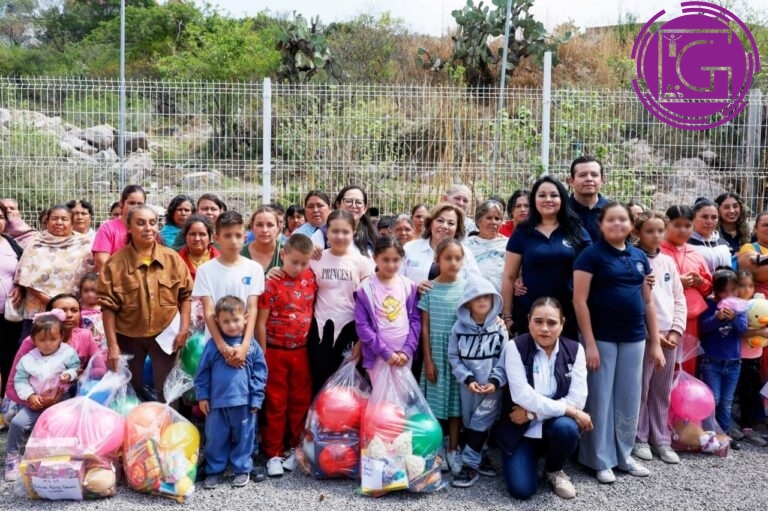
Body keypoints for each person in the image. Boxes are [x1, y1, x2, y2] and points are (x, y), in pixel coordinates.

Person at [574, 202, 665, 483]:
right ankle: (599, 458)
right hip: (601, 336)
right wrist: (589, 343)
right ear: (601, 224)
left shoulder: (639, 256)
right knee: (600, 397)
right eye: (611, 220)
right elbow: (579, 301)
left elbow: (647, 302)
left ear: (630, 225)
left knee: (628, 396)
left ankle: (623, 455)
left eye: (622, 220)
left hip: (634, 337)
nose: (617, 224)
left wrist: (655, 342)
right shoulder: (590, 256)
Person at [496, 297, 591, 500]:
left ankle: (554, 469)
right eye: (538, 321)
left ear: (562, 324)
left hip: (548, 424)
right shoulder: (515, 347)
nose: (544, 328)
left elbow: (577, 399)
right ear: (529, 320)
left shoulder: (575, 350)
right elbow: (522, 395)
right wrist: (571, 411)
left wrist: (533, 414)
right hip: (520, 430)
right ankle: (529, 456)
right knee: (522, 490)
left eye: (552, 323)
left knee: (567, 428)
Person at [97, 205, 193, 401]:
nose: (148, 228)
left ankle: (167, 421)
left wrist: (183, 330)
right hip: (128, 337)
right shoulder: (115, 264)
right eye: (140, 223)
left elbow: (185, 296)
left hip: (165, 335)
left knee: (166, 392)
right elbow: (108, 307)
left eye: (152, 223)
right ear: (128, 227)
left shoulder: (172, 259)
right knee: (130, 391)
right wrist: (113, 346)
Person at [501, 176, 591, 340]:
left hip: (567, 315)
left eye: (554, 195)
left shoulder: (575, 230)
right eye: (542, 195)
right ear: (534, 200)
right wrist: (507, 316)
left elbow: (592, 266)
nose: (548, 199)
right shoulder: (523, 231)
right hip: (528, 315)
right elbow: (509, 276)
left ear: (562, 199)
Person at [258, 234, 317, 477]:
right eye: (294, 262)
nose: (299, 267)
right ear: (283, 255)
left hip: (301, 351)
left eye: (304, 263)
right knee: (276, 402)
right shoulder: (271, 283)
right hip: (275, 351)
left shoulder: (311, 278)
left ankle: (295, 446)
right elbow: (260, 322)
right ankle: (273, 451)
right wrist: (262, 354)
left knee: (300, 401)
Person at [195, 295, 267, 489]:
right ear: (217, 322)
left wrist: (256, 398)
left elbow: (260, 373)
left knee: (245, 437)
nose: (232, 325)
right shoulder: (213, 346)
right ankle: (214, 470)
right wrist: (203, 396)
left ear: (245, 318)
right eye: (226, 321)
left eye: (236, 320)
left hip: (244, 403)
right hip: (216, 404)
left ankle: (242, 469)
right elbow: (202, 372)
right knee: (215, 438)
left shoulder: (251, 346)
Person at [632, 212, 686, 465]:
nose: (656, 236)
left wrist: (676, 329)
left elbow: (679, 298)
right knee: (641, 388)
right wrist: (650, 334)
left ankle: (661, 438)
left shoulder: (668, 262)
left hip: (669, 336)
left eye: (660, 231)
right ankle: (639, 437)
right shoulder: (633, 259)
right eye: (649, 231)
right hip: (644, 336)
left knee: (662, 390)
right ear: (637, 232)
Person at [4, 310, 80, 481]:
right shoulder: (28, 359)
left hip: (61, 401)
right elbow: (20, 380)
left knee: (64, 424)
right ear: (33, 339)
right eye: (42, 340)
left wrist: (69, 374)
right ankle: (12, 458)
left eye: (53, 339)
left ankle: (62, 457)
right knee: (17, 423)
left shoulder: (67, 353)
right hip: (37, 402)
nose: (47, 344)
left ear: (61, 337)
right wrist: (30, 396)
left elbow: (76, 367)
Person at [448, 277, 508, 488]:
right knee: (471, 422)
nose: (482, 300)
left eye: (486, 297)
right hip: (469, 387)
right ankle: (482, 455)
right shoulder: (458, 328)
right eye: (477, 297)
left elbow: (505, 358)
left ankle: (469, 465)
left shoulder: (499, 328)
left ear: (493, 300)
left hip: (492, 389)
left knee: (481, 421)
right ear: (467, 303)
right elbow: (453, 356)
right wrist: (467, 378)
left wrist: (495, 381)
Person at [308, 210, 375, 395]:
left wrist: (361, 341)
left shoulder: (362, 262)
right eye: (335, 231)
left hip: (352, 329)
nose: (340, 236)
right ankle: (318, 414)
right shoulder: (315, 259)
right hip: (321, 329)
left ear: (354, 232)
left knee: (349, 388)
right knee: (321, 381)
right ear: (327, 232)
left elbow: (369, 305)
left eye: (345, 232)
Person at [420, 238, 467, 476]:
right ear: (437, 260)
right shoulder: (429, 289)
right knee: (436, 405)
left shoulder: (467, 288)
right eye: (448, 258)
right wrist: (428, 360)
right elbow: (425, 328)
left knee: (456, 405)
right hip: (436, 355)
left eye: (458, 258)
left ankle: (453, 448)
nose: (453, 262)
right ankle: (436, 446)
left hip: (459, 356)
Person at [5, 293, 100, 410]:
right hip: (35, 401)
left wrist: (82, 374)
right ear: (49, 316)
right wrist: (35, 402)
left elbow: (100, 369)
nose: (69, 315)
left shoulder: (85, 336)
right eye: (63, 311)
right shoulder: (32, 342)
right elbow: (11, 387)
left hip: (73, 398)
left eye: (74, 310)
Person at [15, 205, 95, 339]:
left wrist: (66, 306)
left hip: (72, 313)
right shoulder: (36, 244)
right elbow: (25, 279)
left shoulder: (85, 244)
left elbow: (92, 277)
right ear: (47, 222)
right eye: (54, 219)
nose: (59, 222)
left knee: (72, 348)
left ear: (72, 223)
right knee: (34, 348)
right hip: (39, 312)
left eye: (64, 219)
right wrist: (54, 304)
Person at [355, 237, 420, 384]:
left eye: (396, 260)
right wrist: (385, 352)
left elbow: (415, 321)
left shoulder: (409, 286)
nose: (391, 265)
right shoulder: (365, 289)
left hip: (404, 356)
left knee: (401, 396)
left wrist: (407, 350)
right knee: (382, 397)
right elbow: (362, 326)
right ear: (375, 258)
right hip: (378, 355)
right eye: (385, 260)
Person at [661, 205, 713, 376]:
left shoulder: (695, 253)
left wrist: (700, 282)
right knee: (664, 367)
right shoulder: (657, 250)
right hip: (664, 318)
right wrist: (677, 283)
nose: (682, 230)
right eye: (677, 225)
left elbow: (709, 288)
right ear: (667, 224)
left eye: (687, 225)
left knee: (688, 366)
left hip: (691, 320)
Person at [699, 268, 747, 434]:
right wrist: (716, 318)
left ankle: (723, 435)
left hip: (733, 362)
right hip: (711, 361)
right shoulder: (709, 304)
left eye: (733, 290)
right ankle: (708, 433)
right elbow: (704, 327)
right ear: (716, 291)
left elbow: (742, 329)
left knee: (727, 401)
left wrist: (733, 318)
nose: (729, 295)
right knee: (713, 399)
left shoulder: (740, 307)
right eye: (724, 291)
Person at [734, 270, 767, 446]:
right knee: (734, 391)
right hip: (738, 356)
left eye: (750, 286)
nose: (747, 289)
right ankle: (729, 425)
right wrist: (760, 332)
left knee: (751, 391)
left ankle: (747, 426)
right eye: (742, 285)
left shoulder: (758, 305)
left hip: (755, 356)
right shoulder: (735, 307)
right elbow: (740, 332)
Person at [311, 185, 378, 257]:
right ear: (338, 204)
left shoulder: (373, 234)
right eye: (348, 201)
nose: (353, 206)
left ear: (365, 208)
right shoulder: (322, 233)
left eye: (359, 202)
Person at [92, 185, 146, 272]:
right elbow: (101, 261)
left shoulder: (147, 229)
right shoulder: (108, 228)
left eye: (140, 204)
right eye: (132, 203)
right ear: (121, 203)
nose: (136, 207)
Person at [0, 203, 23, 397]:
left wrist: (20, 287)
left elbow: (24, 271)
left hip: (9, 315)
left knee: (8, 358)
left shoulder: (11, 243)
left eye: (1, 217)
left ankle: (5, 402)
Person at [465, 200, 508, 295]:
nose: (493, 222)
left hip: (500, 297)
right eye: (489, 218)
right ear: (478, 221)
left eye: (497, 218)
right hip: (471, 297)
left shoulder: (508, 245)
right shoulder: (466, 245)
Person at [567, 155, 609, 242]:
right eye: (582, 175)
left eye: (594, 175)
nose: (589, 179)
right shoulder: (561, 210)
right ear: (571, 181)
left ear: (602, 180)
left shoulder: (612, 211)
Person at [688, 198, 731, 273]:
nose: (709, 221)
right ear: (693, 218)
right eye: (704, 217)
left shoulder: (724, 243)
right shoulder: (685, 244)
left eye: (714, 217)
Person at [178, 215, 220, 281]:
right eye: (192, 234)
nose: (197, 239)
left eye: (202, 234)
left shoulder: (221, 260)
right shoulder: (176, 260)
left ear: (210, 237)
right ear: (185, 237)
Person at [242, 206, 282, 274]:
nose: (264, 230)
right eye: (259, 225)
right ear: (252, 227)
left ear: (278, 227)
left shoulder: (288, 253)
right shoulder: (240, 254)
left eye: (270, 225)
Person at [737, 212, 768, 296]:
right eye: (765, 225)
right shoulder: (748, 248)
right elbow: (756, 273)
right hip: (761, 301)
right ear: (755, 228)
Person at [715, 192, 751, 256]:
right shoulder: (713, 234)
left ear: (741, 208)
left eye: (735, 206)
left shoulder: (747, 233)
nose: (732, 211)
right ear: (718, 211)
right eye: (726, 207)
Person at [79, 273, 105, 348]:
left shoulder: (105, 309)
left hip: (104, 345)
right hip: (86, 346)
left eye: (94, 290)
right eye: (86, 291)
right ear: (81, 292)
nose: (90, 294)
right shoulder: (78, 310)